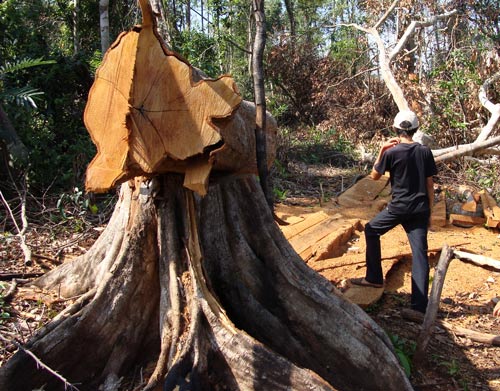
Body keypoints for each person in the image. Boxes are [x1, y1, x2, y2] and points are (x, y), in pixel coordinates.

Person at [350, 110, 437, 314]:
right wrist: (429, 213)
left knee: (371, 230)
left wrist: (382, 149)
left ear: (395, 129)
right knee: (420, 253)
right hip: (419, 208)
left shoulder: (391, 152)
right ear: (416, 130)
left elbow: (374, 176)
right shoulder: (425, 151)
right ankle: (419, 306)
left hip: (398, 208)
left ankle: (373, 278)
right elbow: (430, 185)